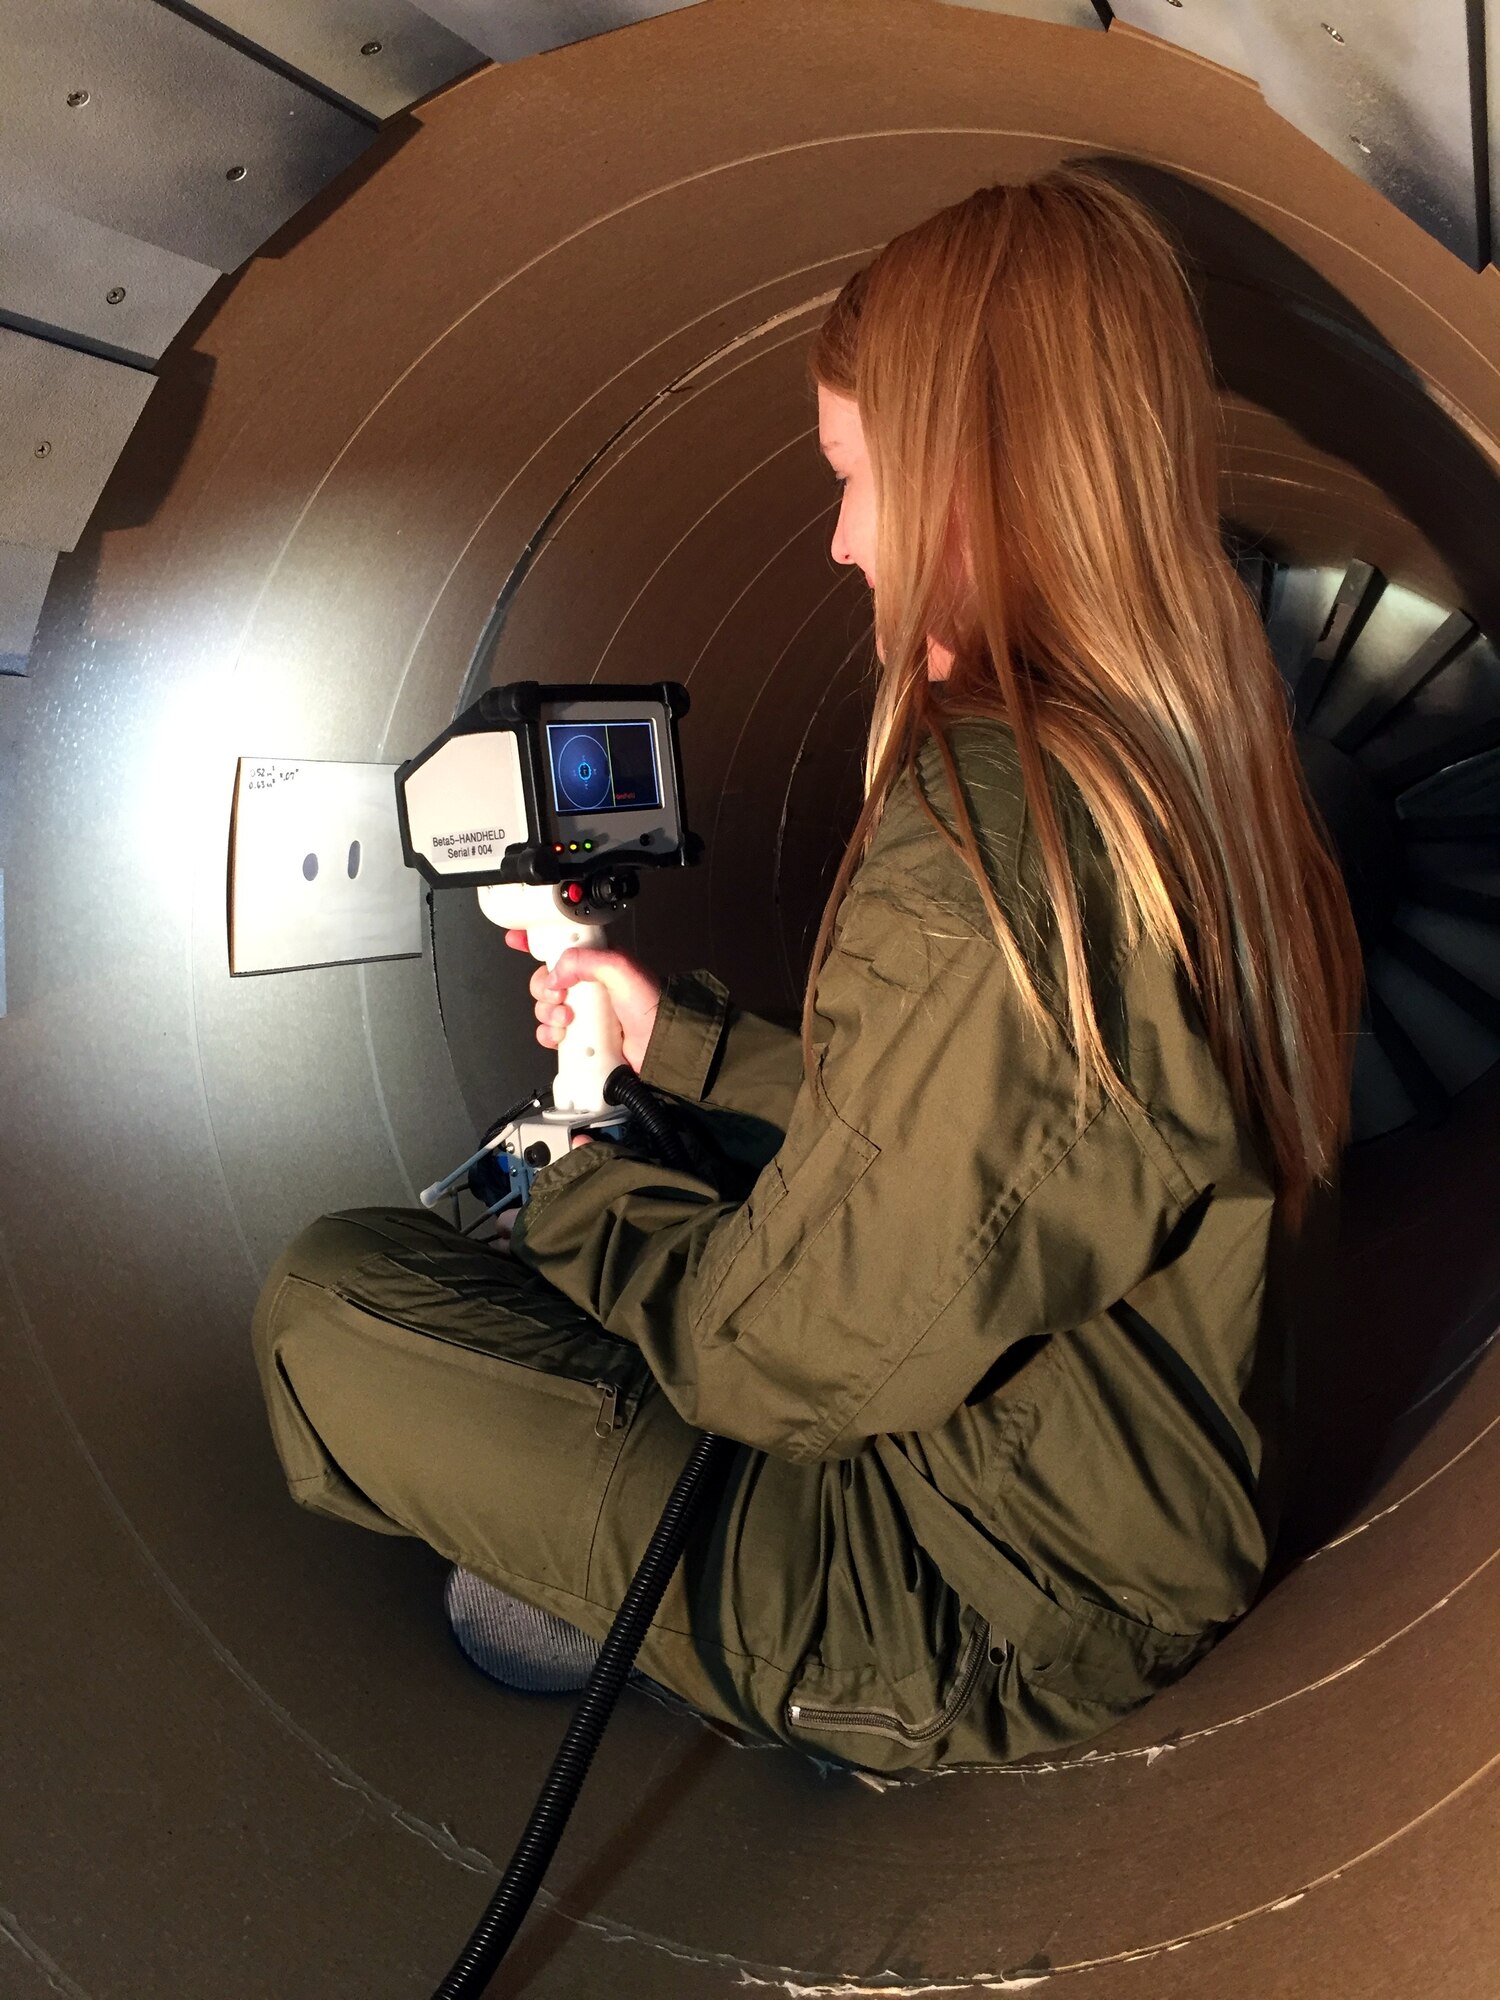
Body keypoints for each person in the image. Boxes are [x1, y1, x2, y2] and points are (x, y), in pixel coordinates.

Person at [251, 162, 1363, 1775]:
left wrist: (580, 1173)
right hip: (1109, 1497)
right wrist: (679, 1050)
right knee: (657, 1224)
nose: (843, 545)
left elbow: (769, 1363)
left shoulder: (990, 831)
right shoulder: (1183, 759)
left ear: (982, 472)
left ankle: (693, 1647)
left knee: (331, 1301)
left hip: (976, 1596)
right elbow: (1027, 1142)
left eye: (856, 477)